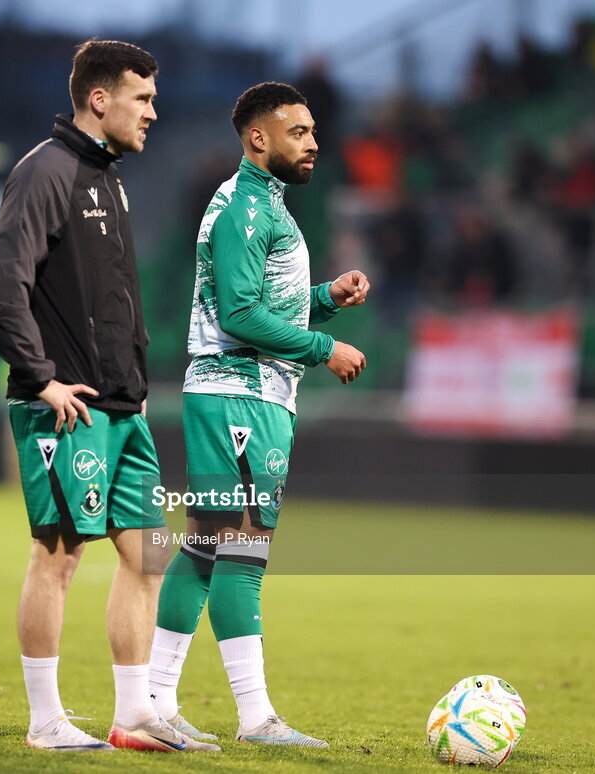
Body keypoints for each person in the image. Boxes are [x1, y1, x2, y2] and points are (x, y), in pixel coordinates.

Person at [0, 39, 218, 753]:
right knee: (57, 556)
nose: (153, 111)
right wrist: (41, 376)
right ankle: (46, 721)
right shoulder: (44, 172)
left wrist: (135, 389)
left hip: (121, 407)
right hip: (67, 406)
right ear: (99, 99)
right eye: (142, 98)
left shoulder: (106, 177)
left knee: (149, 554)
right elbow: (0, 285)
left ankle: (133, 714)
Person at [148, 82, 369, 747]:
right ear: (258, 138)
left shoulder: (264, 206)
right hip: (236, 393)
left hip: (254, 394)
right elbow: (241, 317)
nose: (313, 142)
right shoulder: (246, 206)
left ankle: (162, 700)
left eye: (311, 131)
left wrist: (324, 296)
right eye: (298, 131)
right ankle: (250, 717)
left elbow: (263, 303)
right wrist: (325, 347)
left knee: (215, 545)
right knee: (235, 545)